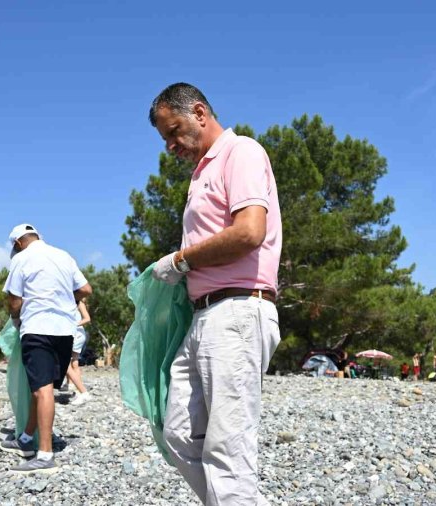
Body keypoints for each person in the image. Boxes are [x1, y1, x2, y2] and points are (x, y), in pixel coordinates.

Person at [149, 82, 283, 505]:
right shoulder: (200, 173)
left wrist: (181, 260)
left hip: (238, 310)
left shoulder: (240, 151)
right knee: (179, 436)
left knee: (228, 450)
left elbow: (249, 232)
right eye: (165, 138)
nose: (171, 145)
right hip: (204, 316)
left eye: (174, 132)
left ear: (200, 113)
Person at [0, 223, 92, 474]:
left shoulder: (22, 259)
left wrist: (16, 321)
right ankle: (27, 438)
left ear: (18, 243)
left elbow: (14, 300)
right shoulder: (63, 255)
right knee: (43, 387)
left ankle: (45, 455)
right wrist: (61, 298)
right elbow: (85, 289)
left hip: (38, 327)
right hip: (65, 331)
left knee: (42, 391)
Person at [64, 300, 92, 405]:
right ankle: (73, 387)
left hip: (76, 334)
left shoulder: (78, 302)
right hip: (72, 333)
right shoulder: (67, 301)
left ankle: (80, 391)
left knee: (68, 362)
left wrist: (74, 324)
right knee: (73, 362)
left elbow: (87, 319)